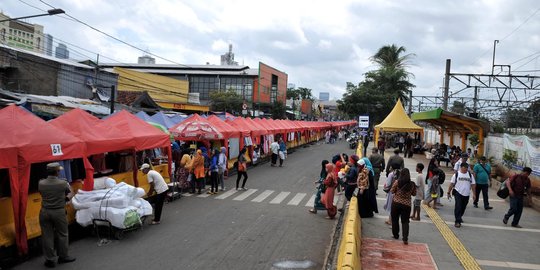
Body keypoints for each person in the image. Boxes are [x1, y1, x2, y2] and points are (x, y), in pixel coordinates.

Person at [39, 162, 76, 268]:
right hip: (58, 211)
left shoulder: (41, 183)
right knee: (62, 234)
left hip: (44, 211)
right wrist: (66, 198)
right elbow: (70, 193)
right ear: (57, 172)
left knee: (47, 236)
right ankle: (63, 256)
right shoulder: (63, 183)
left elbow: (41, 193)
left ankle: (50, 260)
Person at [390, 168, 416, 245]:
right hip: (407, 205)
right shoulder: (412, 184)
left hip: (396, 203)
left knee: (395, 219)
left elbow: (392, 191)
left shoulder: (397, 182)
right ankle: (405, 238)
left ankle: (395, 235)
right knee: (405, 222)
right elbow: (414, 193)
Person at [447, 162, 476, 228]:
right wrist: (448, 192)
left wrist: (474, 194)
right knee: (458, 206)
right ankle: (457, 221)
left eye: (467, 168)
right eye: (464, 168)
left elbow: (473, 185)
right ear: (461, 167)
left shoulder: (470, 175)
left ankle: (459, 216)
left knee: (463, 207)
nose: (465, 170)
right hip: (458, 192)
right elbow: (451, 184)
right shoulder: (456, 174)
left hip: (466, 194)